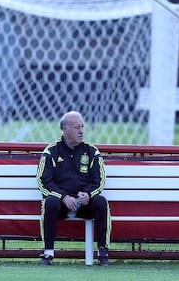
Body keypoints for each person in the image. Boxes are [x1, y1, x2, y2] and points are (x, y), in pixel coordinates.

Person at [36, 111, 111, 266]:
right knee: (49, 202)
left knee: (101, 202)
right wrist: (63, 197)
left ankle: (103, 252)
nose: (81, 131)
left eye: (82, 126)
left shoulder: (91, 151)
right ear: (65, 129)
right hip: (61, 204)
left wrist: (88, 195)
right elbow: (43, 181)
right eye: (77, 127)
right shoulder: (51, 151)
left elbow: (100, 181)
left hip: (84, 204)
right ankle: (48, 253)